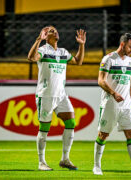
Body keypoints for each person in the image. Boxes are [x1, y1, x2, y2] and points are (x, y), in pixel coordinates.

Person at [27, 26, 86, 171]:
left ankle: (65, 159)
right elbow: (31, 58)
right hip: (45, 95)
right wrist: (37, 40)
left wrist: (81, 45)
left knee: (71, 121)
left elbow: (78, 61)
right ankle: (42, 162)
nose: (55, 32)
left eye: (55, 30)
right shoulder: (43, 50)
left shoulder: (63, 52)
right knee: (44, 129)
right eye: (51, 31)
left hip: (61, 95)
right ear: (45, 36)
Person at [93, 33, 131, 176]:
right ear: (122, 44)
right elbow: (101, 81)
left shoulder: (130, 61)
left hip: (126, 105)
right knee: (103, 134)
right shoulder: (109, 59)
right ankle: (96, 166)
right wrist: (114, 93)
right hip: (110, 103)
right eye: (130, 47)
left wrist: (129, 98)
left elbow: (130, 80)